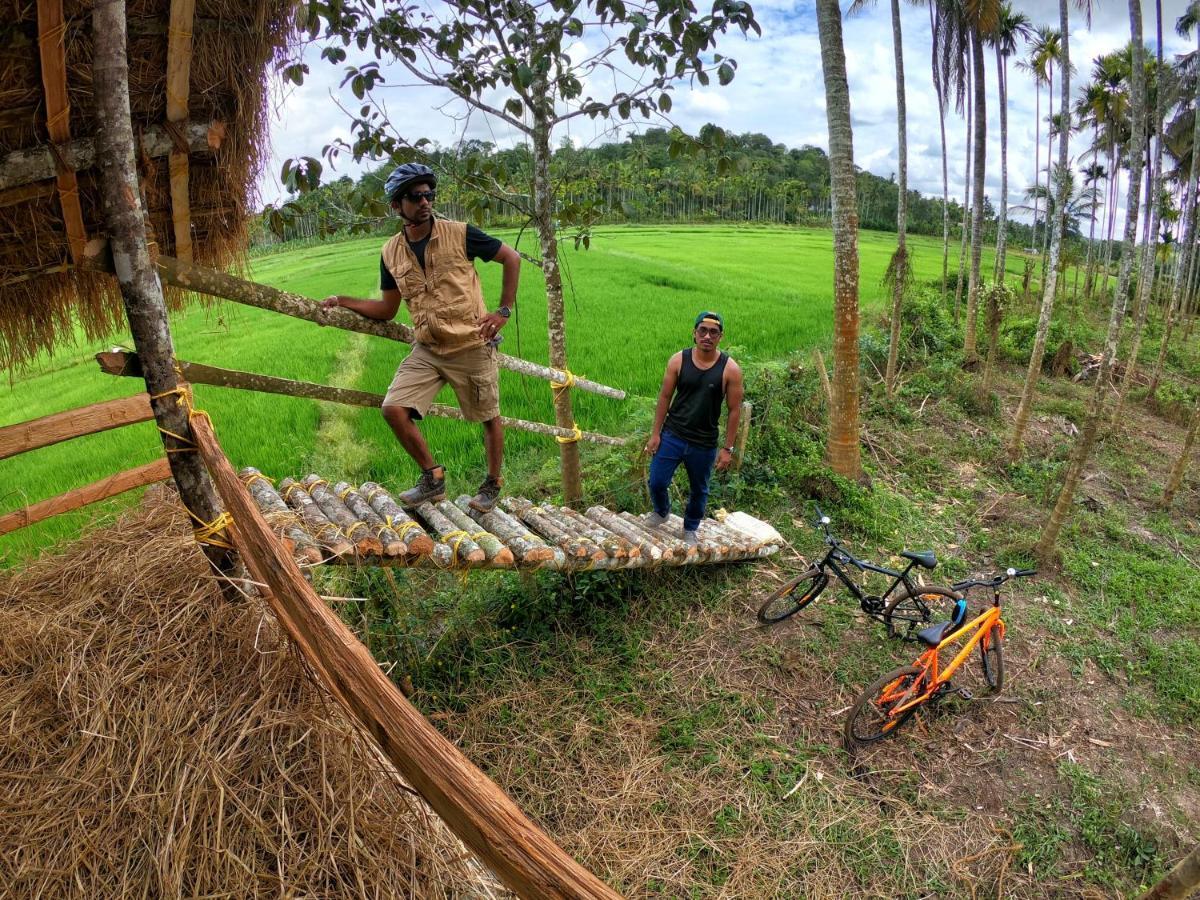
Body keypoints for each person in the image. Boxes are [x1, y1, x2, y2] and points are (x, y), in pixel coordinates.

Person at [320, 163, 521, 511]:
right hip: (428, 349)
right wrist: (343, 301)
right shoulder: (390, 252)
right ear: (397, 205)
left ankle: (492, 483)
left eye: (429, 194)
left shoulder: (460, 233)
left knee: (488, 416)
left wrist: (503, 311)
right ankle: (433, 477)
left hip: (471, 344)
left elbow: (511, 258)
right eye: (416, 196)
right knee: (393, 409)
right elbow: (387, 308)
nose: (425, 201)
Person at [645, 311, 744, 545]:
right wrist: (656, 434)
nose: (707, 336)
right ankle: (662, 511)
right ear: (694, 333)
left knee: (699, 490)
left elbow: (734, 410)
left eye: (713, 332)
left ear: (720, 337)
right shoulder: (678, 360)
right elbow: (664, 397)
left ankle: (690, 527)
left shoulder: (730, 369)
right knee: (657, 481)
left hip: (704, 442)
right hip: (673, 434)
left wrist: (727, 448)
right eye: (703, 330)